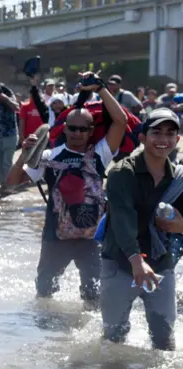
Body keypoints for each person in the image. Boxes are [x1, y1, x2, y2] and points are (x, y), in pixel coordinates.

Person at [20, 77, 126, 304]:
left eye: (83, 129)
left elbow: (120, 121)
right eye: (73, 128)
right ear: (65, 129)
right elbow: (13, 181)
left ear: (91, 131)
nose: (77, 133)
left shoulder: (100, 154)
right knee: (45, 293)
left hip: (91, 237)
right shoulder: (49, 156)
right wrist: (25, 153)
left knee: (93, 295)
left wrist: (101, 89)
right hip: (55, 236)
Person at [100, 107, 183, 350]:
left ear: (177, 139)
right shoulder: (121, 173)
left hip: (161, 264)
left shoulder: (179, 179)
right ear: (143, 137)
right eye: (156, 132)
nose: (163, 139)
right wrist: (136, 260)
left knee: (164, 342)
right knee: (113, 341)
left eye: (170, 134)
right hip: (120, 262)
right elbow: (122, 220)